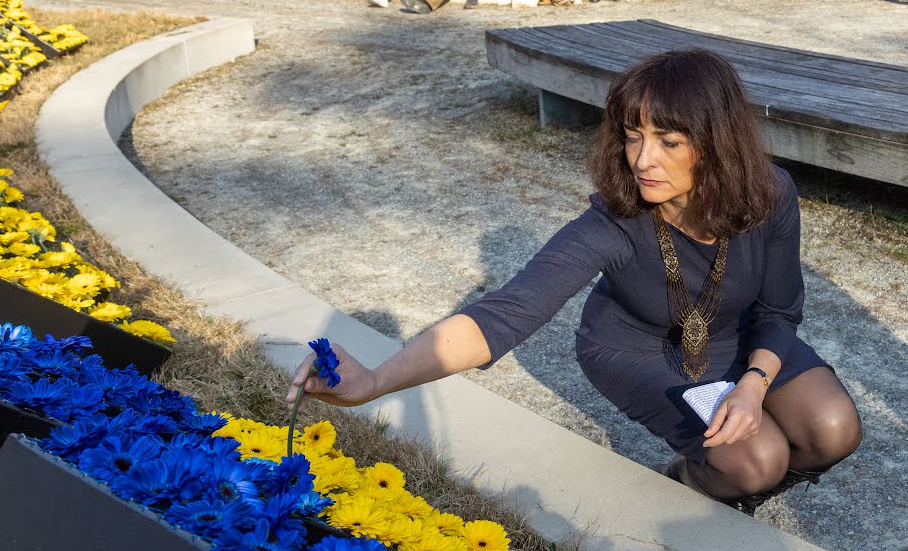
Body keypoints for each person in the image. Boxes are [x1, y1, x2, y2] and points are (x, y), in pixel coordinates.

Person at [286, 49, 862, 513]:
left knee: (833, 431)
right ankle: (696, 477)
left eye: (669, 141)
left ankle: (755, 476)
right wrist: (375, 380)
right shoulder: (616, 221)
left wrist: (754, 385)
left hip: (736, 342)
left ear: (715, 143)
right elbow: (504, 314)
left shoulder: (770, 193)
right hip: (635, 349)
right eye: (633, 136)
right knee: (756, 460)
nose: (642, 160)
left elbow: (779, 311)